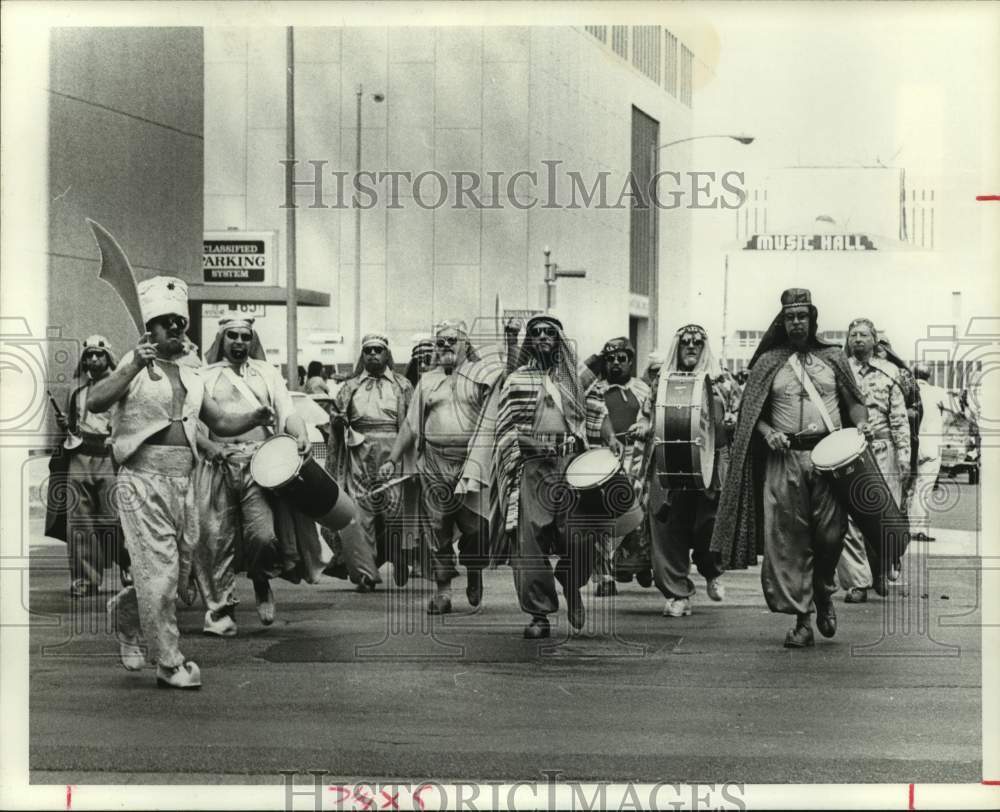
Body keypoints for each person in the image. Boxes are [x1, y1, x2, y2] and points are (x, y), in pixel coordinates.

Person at [89, 277, 274, 689]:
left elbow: (219, 422)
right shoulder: (133, 364)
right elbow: (95, 400)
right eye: (165, 322)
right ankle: (170, 662)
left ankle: (127, 613)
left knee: (178, 567)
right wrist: (134, 363)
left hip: (183, 479)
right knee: (162, 572)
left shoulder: (192, 374)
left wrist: (254, 418)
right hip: (141, 479)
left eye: (180, 322)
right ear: (149, 328)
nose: (175, 328)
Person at [710, 289, 868, 648]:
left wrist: (859, 426)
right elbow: (754, 417)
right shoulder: (768, 362)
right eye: (790, 317)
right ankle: (802, 619)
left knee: (830, 537)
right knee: (788, 543)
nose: (797, 322)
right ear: (782, 321)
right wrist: (768, 434)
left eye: (803, 316)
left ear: (813, 320)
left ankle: (824, 593)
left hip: (828, 460)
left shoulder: (833, 358)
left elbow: (855, 404)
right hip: (784, 462)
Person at [495, 312, 623, 639]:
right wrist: (529, 444)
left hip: (571, 464)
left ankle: (571, 582)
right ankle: (539, 614)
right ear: (529, 341)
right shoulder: (515, 381)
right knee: (530, 543)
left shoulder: (573, 381)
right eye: (535, 332)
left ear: (559, 341)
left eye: (548, 333)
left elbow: (597, 412)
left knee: (580, 536)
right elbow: (505, 429)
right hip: (532, 467)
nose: (541, 337)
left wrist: (609, 438)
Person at [194, 319, 316, 636]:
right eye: (231, 335)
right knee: (216, 540)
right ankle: (221, 609)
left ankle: (261, 580)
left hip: (259, 464)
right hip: (217, 463)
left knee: (263, 536)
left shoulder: (266, 373)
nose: (238, 341)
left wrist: (300, 434)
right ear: (221, 339)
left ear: (252, 340)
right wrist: (209, 447)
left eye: (245, 337)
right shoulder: (202, 376)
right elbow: (190, 424)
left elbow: (287, 411)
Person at [381, 320, 502, 614]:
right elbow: (411, 425)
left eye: (452, 340)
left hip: (471, 465)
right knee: (437, 529)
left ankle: (474, 570)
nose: (445, 346)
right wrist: (392, 459)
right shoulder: (428, 382)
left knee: (476, 529)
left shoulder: (481, 379)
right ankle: (443, 591)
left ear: (465, 344)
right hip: (433, 464)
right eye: (440, 341)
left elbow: (495, 412)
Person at [636, 324, 730, 617]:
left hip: (710, 463)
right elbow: (647, 416)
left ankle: (712, 570)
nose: (691, 347)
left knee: (710, 524)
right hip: (667, 461)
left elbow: (735, 417)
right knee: (665, 526)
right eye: (686, 343)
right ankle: (678, 593)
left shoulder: (723, 381)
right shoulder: (660, 382)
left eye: (698, 343)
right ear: (677, 347)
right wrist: (642, 427)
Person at [326, 333, 414, 591]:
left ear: (387, 354)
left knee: (394, 512)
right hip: (359, 457)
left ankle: (400, 556)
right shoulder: (349, 387)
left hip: (393, 457)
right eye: (368, 351)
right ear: (362, 356)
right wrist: (338, 422)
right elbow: (335, 418)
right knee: (361, 515)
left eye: (378, 350)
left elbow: (412, 423)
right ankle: (365, 573)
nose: (373, 355)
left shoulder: (403, 385)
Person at [836, 319, 911, 602]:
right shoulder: (840, 372)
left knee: (884, 515)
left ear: (874, 340)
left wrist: (904, 457)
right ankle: (858, 582)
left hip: (884, 449)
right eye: (852, 334)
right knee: (850, 518)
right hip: (851, 453)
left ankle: (882, 570)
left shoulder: (890, 372)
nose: (857, 339)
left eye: (864, 335)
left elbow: (900, 419)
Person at [55, 336, 130, 597]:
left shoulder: (121, 387)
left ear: (108, 357)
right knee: (79, 521)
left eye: (99, 354)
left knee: (116, 518)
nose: (94, 359)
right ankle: (85, 579)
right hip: (80, 456)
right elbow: (72, 428)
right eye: (89, 355)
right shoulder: (76, 390)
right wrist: (67, 424)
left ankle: (129, 564)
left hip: (110, 457)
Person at [583, 337, 652, 596]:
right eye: (609, 359)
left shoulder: (644, 389)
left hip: (636, 459)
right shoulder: (594, 390)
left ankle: (639, 563)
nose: (615, 364)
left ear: (631, 361)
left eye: (621, 358)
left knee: (638, 515)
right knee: (602, 518)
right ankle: (604, 576)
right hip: (603, 458)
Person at [908, 362, 949, 540]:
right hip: (932, 444)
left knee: (907, 487)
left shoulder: (906, 391)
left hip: (909, 444)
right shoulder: (938, 392)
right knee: (923, 488)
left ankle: (903, 525)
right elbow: (947, 416)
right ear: (928, 376)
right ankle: (917, 529)